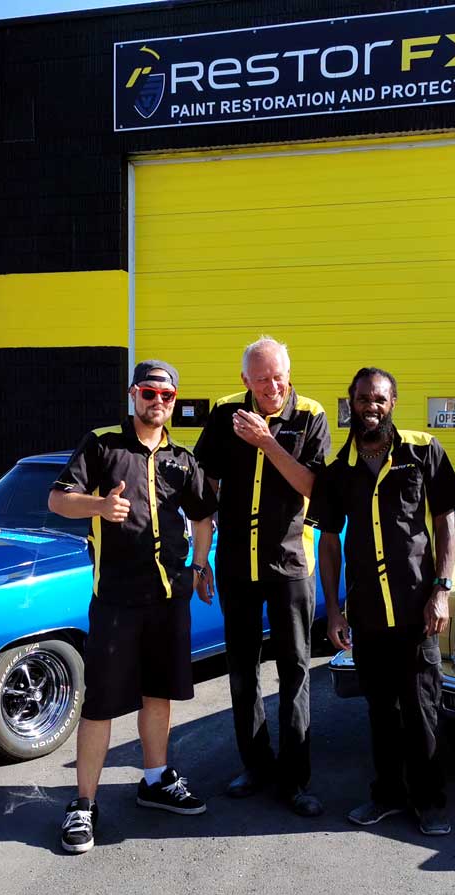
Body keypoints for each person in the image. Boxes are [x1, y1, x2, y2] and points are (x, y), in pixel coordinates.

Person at [47, 360, 218, 854]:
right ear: (132, 394)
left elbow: (205, 516)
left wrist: (200, 565)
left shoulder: (182, 459)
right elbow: (59, 500)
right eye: (149, 393)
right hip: (116, 600)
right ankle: (83, 804)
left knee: (158, 694)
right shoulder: (101, 444)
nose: (157, 401)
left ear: (174, 398)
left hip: (168, 599)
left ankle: (155, 779)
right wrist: (99, 506)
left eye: (166, 395)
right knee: (100, 703)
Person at [310, 366, 455, 836]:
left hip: (418, 610)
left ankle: (430, 802)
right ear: (351, 403)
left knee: (421, 710)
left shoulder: (423, 451)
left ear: (392, 402)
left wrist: (441, 591)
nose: (370, 407)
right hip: (367, 614)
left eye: (378, 399)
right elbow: (330, 541)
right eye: (362, 399)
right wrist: (334, 609)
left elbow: (445, 526)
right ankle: (387, 796)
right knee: (381, 711)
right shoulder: (339, 471)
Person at [194, 336, 332, 816]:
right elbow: (204, 486)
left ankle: (295, 780)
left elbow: (311, 484)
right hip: (236, 561)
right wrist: (200, 555)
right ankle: (256, 764)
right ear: (244, 380)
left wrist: (266, 441)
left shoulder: (310, 415)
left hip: (290, 562)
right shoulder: (224, 412)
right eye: (261, 378)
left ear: (289, 374)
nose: (272, 387)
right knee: (242, 671)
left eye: (278, 377)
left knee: (295, 669)